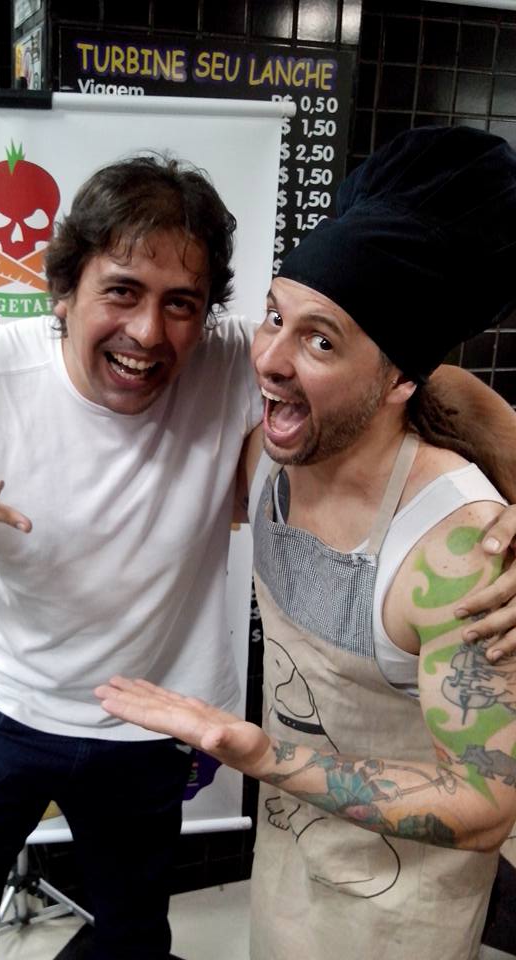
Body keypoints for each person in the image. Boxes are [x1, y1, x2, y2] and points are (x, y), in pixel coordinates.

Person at [0, 150, 514, 960]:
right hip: (6, 706)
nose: (148, 332)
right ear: (64, 290)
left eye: (181, 304)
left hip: (150, 724)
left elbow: (432, 381)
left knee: (133, 938)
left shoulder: (236, 362)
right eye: (122, 291)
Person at [97, 127, 516, 960]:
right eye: (274, 318)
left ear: (400, 380)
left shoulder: (455, 552)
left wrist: (262, 753)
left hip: (404, 915)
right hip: (291, 866)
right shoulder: (270, 451)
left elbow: (486, 804)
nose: (270, 360)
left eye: (321, 341)